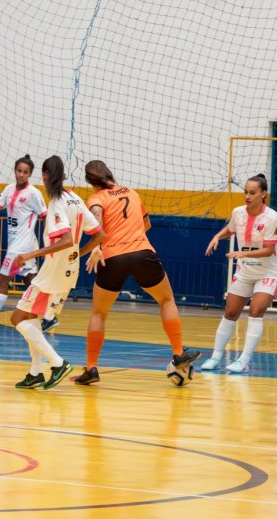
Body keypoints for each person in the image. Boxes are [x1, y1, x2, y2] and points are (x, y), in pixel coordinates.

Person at [74, 160, 200, 386]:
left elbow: (98, 225)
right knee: (166, 299)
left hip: (113, 257)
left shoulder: (96, 199)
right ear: (110, 173)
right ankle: (179, 352)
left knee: (99, 314)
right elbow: (147, 225)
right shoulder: (132, 193)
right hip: (142, 253)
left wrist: (95, 248)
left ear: (90, 182)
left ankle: (91, 369)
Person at [9, 155, 105, 390]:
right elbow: (100, 235)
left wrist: (31, 255)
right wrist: (79, 254)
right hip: (69, 271)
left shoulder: (57, 203)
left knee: (17, 318)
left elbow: (65, 239)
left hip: (51, 274)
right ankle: (35, 373)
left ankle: (57, 363)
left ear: (44, 176)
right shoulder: (75, 198)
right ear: (62, 175)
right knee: (33, 319)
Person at [201, 173, 277, 373]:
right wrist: (217, 237)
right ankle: (215, 357)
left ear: (263, 194)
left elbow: (269, 250)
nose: (247, 196)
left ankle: (243, 361)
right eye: (245, 192)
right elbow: (230, 229)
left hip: (268, 273)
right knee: (230, 313)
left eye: (252, 193)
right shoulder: (238, 212)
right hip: (245, 272)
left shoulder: (272, 217)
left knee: (255, 311)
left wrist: (241, 252)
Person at [0, 155, 59, 333]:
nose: (21, 175)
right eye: (19, 171)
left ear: (30, 174)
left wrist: (52, 241)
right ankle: (50, 317)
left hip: (22, 246)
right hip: (16, 243)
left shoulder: (34, 193)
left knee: (2, 280)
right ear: (15, 171)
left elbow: (44, 216)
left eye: (25, 172)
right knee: (31, 281)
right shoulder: (9, 189)